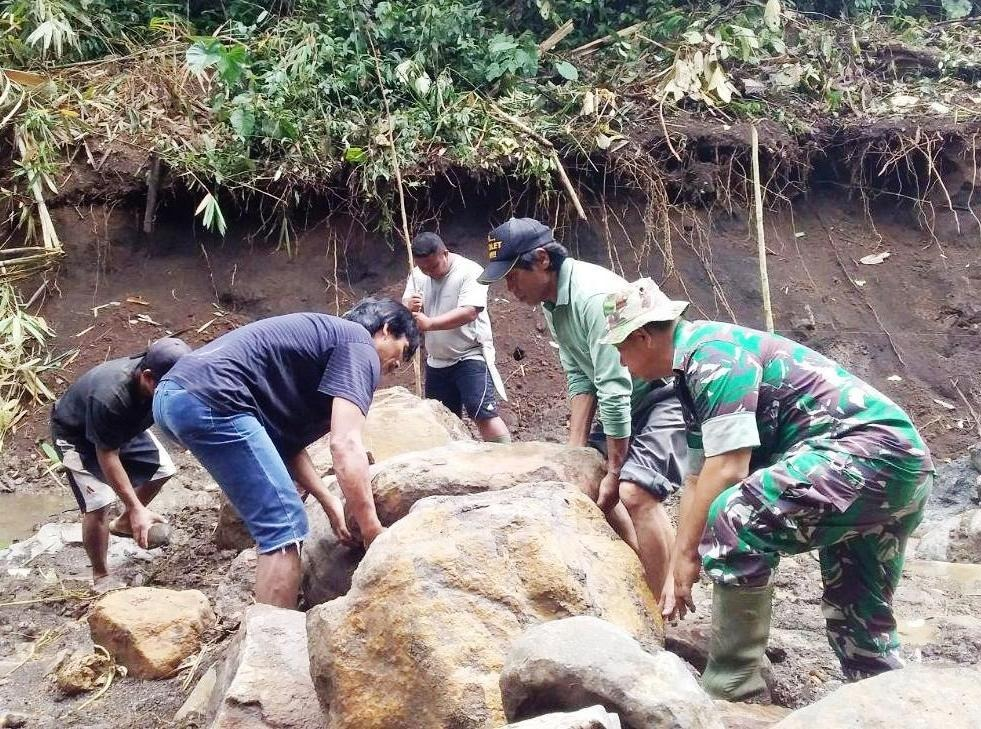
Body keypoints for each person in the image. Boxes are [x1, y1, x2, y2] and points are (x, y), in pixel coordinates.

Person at [600, 277, 934, 699]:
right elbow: (698, 477)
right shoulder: (690, 373)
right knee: (856, 607)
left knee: (737, 516)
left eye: (620, 350)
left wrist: (689, 556)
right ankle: (887, 700)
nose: (622, 364)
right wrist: (676, 569)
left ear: (643, 338)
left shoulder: (712, 355)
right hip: (900, 466)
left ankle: (733, 691)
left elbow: (728, 471)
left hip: (868, 454)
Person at [153, 300, 420, 609]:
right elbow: (345, 443)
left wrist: (328, 499)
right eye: (397, 357)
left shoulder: (320, 346)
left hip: (172, 395)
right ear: (386, 330)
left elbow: (285, 443)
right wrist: (372, 529)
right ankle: (272, 646)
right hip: (210, 398)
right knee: (284, 525)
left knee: (282, 519)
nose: (388, 370)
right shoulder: (358, 344)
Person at [477, 218, 688, 600]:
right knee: (587, 483)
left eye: (512, 276)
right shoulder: (551, 303)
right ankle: (641, 571)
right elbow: (580, 377)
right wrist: (574, 458)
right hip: (623, 399)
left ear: (542, 259)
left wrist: (615, 466)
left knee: (635, 492)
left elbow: (613, 388)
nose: (509, 289)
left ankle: (664, 604)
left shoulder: (593, 298)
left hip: (663, 392)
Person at [51, 337, 192, 592]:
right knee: (99, 503)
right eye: (169, 388)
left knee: (163, 470)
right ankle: (101, 575)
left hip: (124, 426)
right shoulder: (111, 396)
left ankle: (125, 522)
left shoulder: (162, 379)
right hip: (77, 434)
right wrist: (136, 505)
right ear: (148, 378)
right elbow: (107, 455)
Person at [402, 232, 510, 443]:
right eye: (423, 268)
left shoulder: (470, 271)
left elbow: (470, 311)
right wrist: (408, 307)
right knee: (441, 420)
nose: (429, 273)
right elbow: (405, 304)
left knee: (481, 412)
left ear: (445, 253)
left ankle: (507, 458)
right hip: (437, 360)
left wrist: (430, 324)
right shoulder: (418, 274)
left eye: (433, 267)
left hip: (470, 354)